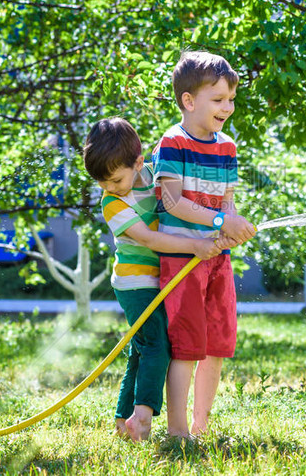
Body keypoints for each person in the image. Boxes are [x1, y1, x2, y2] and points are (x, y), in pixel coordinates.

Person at [82, 117, 223, 441]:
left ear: (139, 162)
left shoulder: (157, 171)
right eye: (103, 183)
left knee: (141, 349)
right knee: (158, 345)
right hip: (134, 282)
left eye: (116, 180)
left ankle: (122, 419)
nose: (110, 189)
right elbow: (149, 239)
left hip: (157, 277)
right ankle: (142, 417)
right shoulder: (112, 203)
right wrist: (195, 246)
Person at [152, 51, 257, 438]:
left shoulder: (227, 147)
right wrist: (219, 221)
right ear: (189, 101)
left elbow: (226, 202)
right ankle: (178, 432)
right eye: (218, 99)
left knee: (216, 345)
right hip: (182, 260)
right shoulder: (173, 142)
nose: (227, 107)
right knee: (187, 345)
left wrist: (230, 227)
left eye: (231, 99)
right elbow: (172, 201)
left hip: (218, 261)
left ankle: (200, 427)